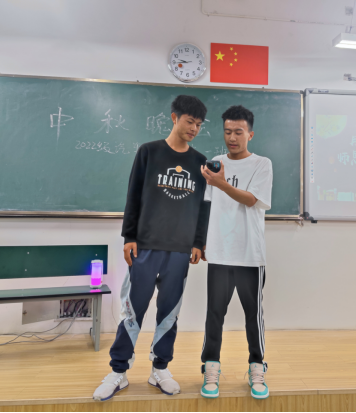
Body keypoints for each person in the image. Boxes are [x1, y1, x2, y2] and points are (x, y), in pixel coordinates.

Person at [93, 95, 211, 401]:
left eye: (199, 125)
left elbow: (203, 207)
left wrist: (198, 242)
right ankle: (118, 372)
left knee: (169, 313)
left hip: (180, 249)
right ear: (174, 117)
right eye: (189, 122)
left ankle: (160, 368)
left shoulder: (200, 162)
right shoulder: (149, 152)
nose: (194, 129)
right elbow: (133, 195)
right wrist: (129, 237)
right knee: (132, 311)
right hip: (145, 246)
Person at [199, 105, 273, 400]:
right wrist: (201, 240)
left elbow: (252, 200)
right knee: (214, 314)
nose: (232, 137)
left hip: (249, 254)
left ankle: (257, 367)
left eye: (238, 132)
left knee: (253, 315)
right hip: (219, 252)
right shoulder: (216, 163)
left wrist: (221, 183)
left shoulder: (262, 164)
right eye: (227, 131)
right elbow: (206, 205)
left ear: (250, 134)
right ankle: (211, 367)